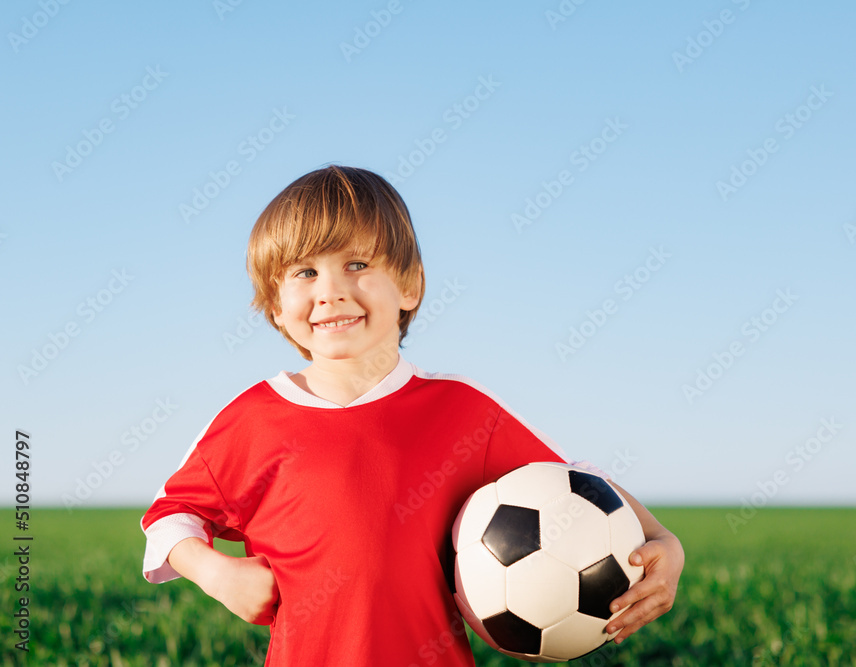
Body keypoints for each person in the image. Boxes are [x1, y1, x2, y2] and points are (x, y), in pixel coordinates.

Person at [140, 165, 684, 666]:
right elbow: (171, 515)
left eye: (357, 264)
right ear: (275, 306)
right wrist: (216, 574)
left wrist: (666, 543)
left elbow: (573, 484)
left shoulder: (462, 408)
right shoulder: (255, 418)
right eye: (304, 272)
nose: (330, 292)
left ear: (409, 285)